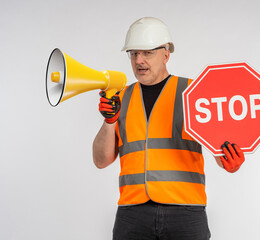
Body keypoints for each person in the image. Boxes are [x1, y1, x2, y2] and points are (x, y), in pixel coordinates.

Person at [92, 17, 245, 240]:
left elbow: (221, 152)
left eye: (147, 53)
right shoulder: (120, 97)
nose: (139, 60)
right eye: (134, 53)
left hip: (185, 210)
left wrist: (229, 160)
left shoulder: (194, 93)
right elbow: (101, 160)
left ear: (166, 54)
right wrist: (109, 121)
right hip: (132, 212)